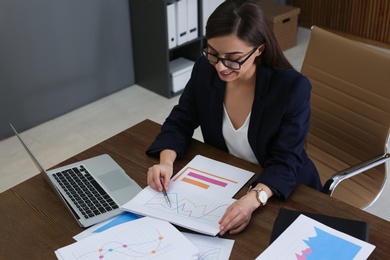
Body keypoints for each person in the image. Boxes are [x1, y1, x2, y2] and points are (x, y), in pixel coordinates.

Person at [146, 0, 322, 236]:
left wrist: (252, 199)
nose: (220, 67)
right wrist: (166, 162)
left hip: (283, 189)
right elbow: (180, 121)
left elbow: (286, 160)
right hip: (230, 180)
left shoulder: (292, 88)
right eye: (213, 53)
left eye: (233, 57)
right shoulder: (204, 70)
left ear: (259, 49)